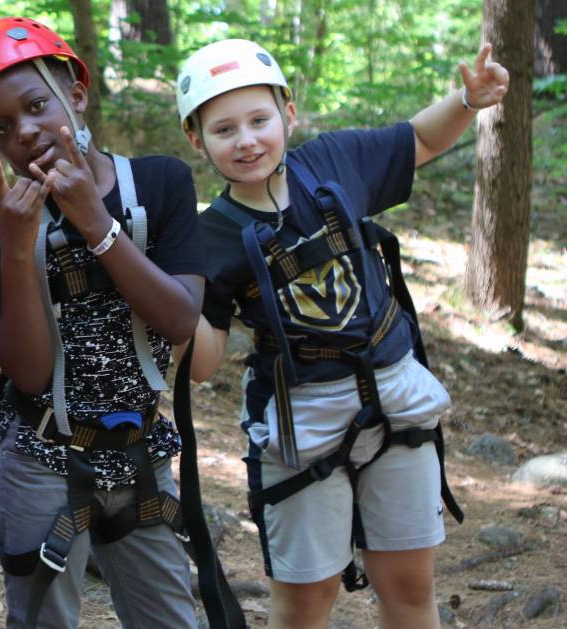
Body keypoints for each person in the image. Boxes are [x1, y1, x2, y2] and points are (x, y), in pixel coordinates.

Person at [174, 39, 509, 629]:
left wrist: (466, 99)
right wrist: (167, 304)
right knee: (306, 601)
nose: (247, 140)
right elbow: (203, 364)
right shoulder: (208, 240)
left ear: (289, 114)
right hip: (301, 418)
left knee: (408, 585)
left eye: (259, 119)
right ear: (197, 140)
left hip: (396, 398)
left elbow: (421, 140)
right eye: (224, 129)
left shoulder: (333, 163)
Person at [0, 17, 214, 628]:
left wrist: (97, 225)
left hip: (139, 449)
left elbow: (179, 319)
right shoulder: (2, 225)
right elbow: (28, 370)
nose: (26, 132)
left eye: (37, 104)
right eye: (2, 128)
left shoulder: (157, 183)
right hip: (39, 456)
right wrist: (19, 249)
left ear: (75, 92)